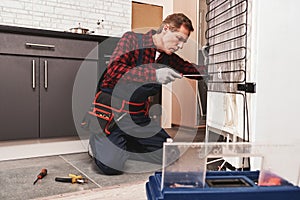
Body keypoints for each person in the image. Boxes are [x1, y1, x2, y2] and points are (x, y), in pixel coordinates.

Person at [88, 13, 207, 175]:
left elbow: (192, 70)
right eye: (178, 38)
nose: (180, 45)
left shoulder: (168, 57)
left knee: (169, 154)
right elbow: (114, 71)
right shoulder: (131, 40)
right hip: (113, 114)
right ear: (166, 29)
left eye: (183, 42)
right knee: (110, 166)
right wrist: (154, 75)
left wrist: (219, 69)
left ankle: (122, 144)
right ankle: (99, 145)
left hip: (137, 118)